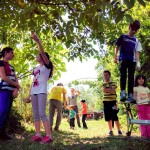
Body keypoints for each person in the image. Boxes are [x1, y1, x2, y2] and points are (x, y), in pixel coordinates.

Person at [29, 32, 53, 143]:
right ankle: (38, 134)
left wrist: (38, 41)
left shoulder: (47, 66)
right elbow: (33, 81)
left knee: (42, 113)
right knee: (36, 113)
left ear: (43, 58)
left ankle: (48, 135)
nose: (37, 56)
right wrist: (29, 94)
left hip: (42, 92)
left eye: (39, 55)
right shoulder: (36, 68)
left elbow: (43, 52)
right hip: (34, 92)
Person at [114, 20, 142, 102]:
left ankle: (130, 95)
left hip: (132, 61)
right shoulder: (123, 37)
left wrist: (138, 64)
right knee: (123, 75)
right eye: (132, 29)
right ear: (129, 27)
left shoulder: (136, 40)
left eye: (135, 30)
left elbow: (137, 52)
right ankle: (123, 94)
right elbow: (117, 46)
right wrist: (115, 56)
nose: (133, 31)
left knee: (131, 78)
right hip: (123, 59)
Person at [0, 47, 20, 140]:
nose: (13, 54)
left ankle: (3, 133)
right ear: (5, 52)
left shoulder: (12, 67)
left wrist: (16, 88)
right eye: (11, 52)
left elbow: (16, 79)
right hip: (3, 90)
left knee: (7, 112)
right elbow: (3, 77)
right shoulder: (1, 63)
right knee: (2, 111)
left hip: (11, 91)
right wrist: (16, 84)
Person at [101, 70, 122, 136]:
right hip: (105, 102)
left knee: (114, 115)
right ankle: (110, 131)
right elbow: (104, 90)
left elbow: (113, 91)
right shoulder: (102, 84)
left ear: (109, 75)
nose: (106, 76)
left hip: (113, 102)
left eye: (107, 75)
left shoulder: (114, 83)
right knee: (108, 116)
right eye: (104, 75)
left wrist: (108, 90)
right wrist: (109, 89)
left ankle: (119, 130)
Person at [133, 74, 150, 139]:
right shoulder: (135, 88)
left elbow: (149, 97)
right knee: (142, 120)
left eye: (142, 79)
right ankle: (143, 135)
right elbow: (134, 97)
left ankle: (149, 134)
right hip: (140, 105)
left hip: (148, 106)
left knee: (148, 120)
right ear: (136, 80)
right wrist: (136, 105)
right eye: (139, 79)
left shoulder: (147, 88)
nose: (141, 80)